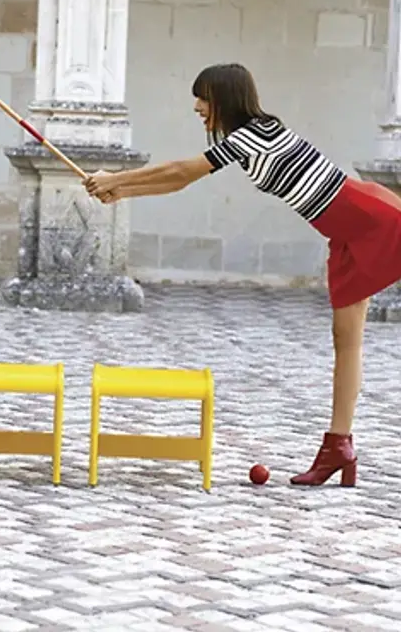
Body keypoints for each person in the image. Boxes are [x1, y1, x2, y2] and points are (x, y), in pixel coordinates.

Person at [83, 62, 401, 488]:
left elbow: (181, 171)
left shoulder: (258, 132)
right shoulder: (251, 137)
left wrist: (116, 178)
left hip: (370, 219)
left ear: (224, 98)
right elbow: (180, 182)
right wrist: (121, 191)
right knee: (346, 343)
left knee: (349, 342)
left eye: (203, 98)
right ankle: (338, 447)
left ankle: (338, 447)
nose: (197, 107)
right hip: (347, 233)